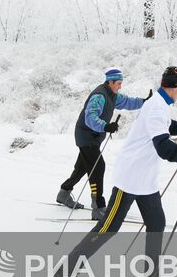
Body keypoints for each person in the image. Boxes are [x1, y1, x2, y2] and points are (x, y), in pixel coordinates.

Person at [57, 64, 177, 277]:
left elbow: (165, 126)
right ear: (175, 88)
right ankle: (66, 272)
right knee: (109, 226)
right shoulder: (156, 107)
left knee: (156, 224)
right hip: (130, 178)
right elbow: (162, 146)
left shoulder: (157, 103)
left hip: (145, 180)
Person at [56, 67, 151, 221]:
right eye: (118, 83)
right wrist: (105, 126)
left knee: (82, 167)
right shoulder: (99, 96)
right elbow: (90, 117)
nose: (120, 86)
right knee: (98, 167)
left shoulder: (112, 94)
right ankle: (98, 207)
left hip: (94, 137)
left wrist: (144, 102)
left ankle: (64, 192)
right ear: (110, 82)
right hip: (86, 136)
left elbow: (127, 101)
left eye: (121, 83)